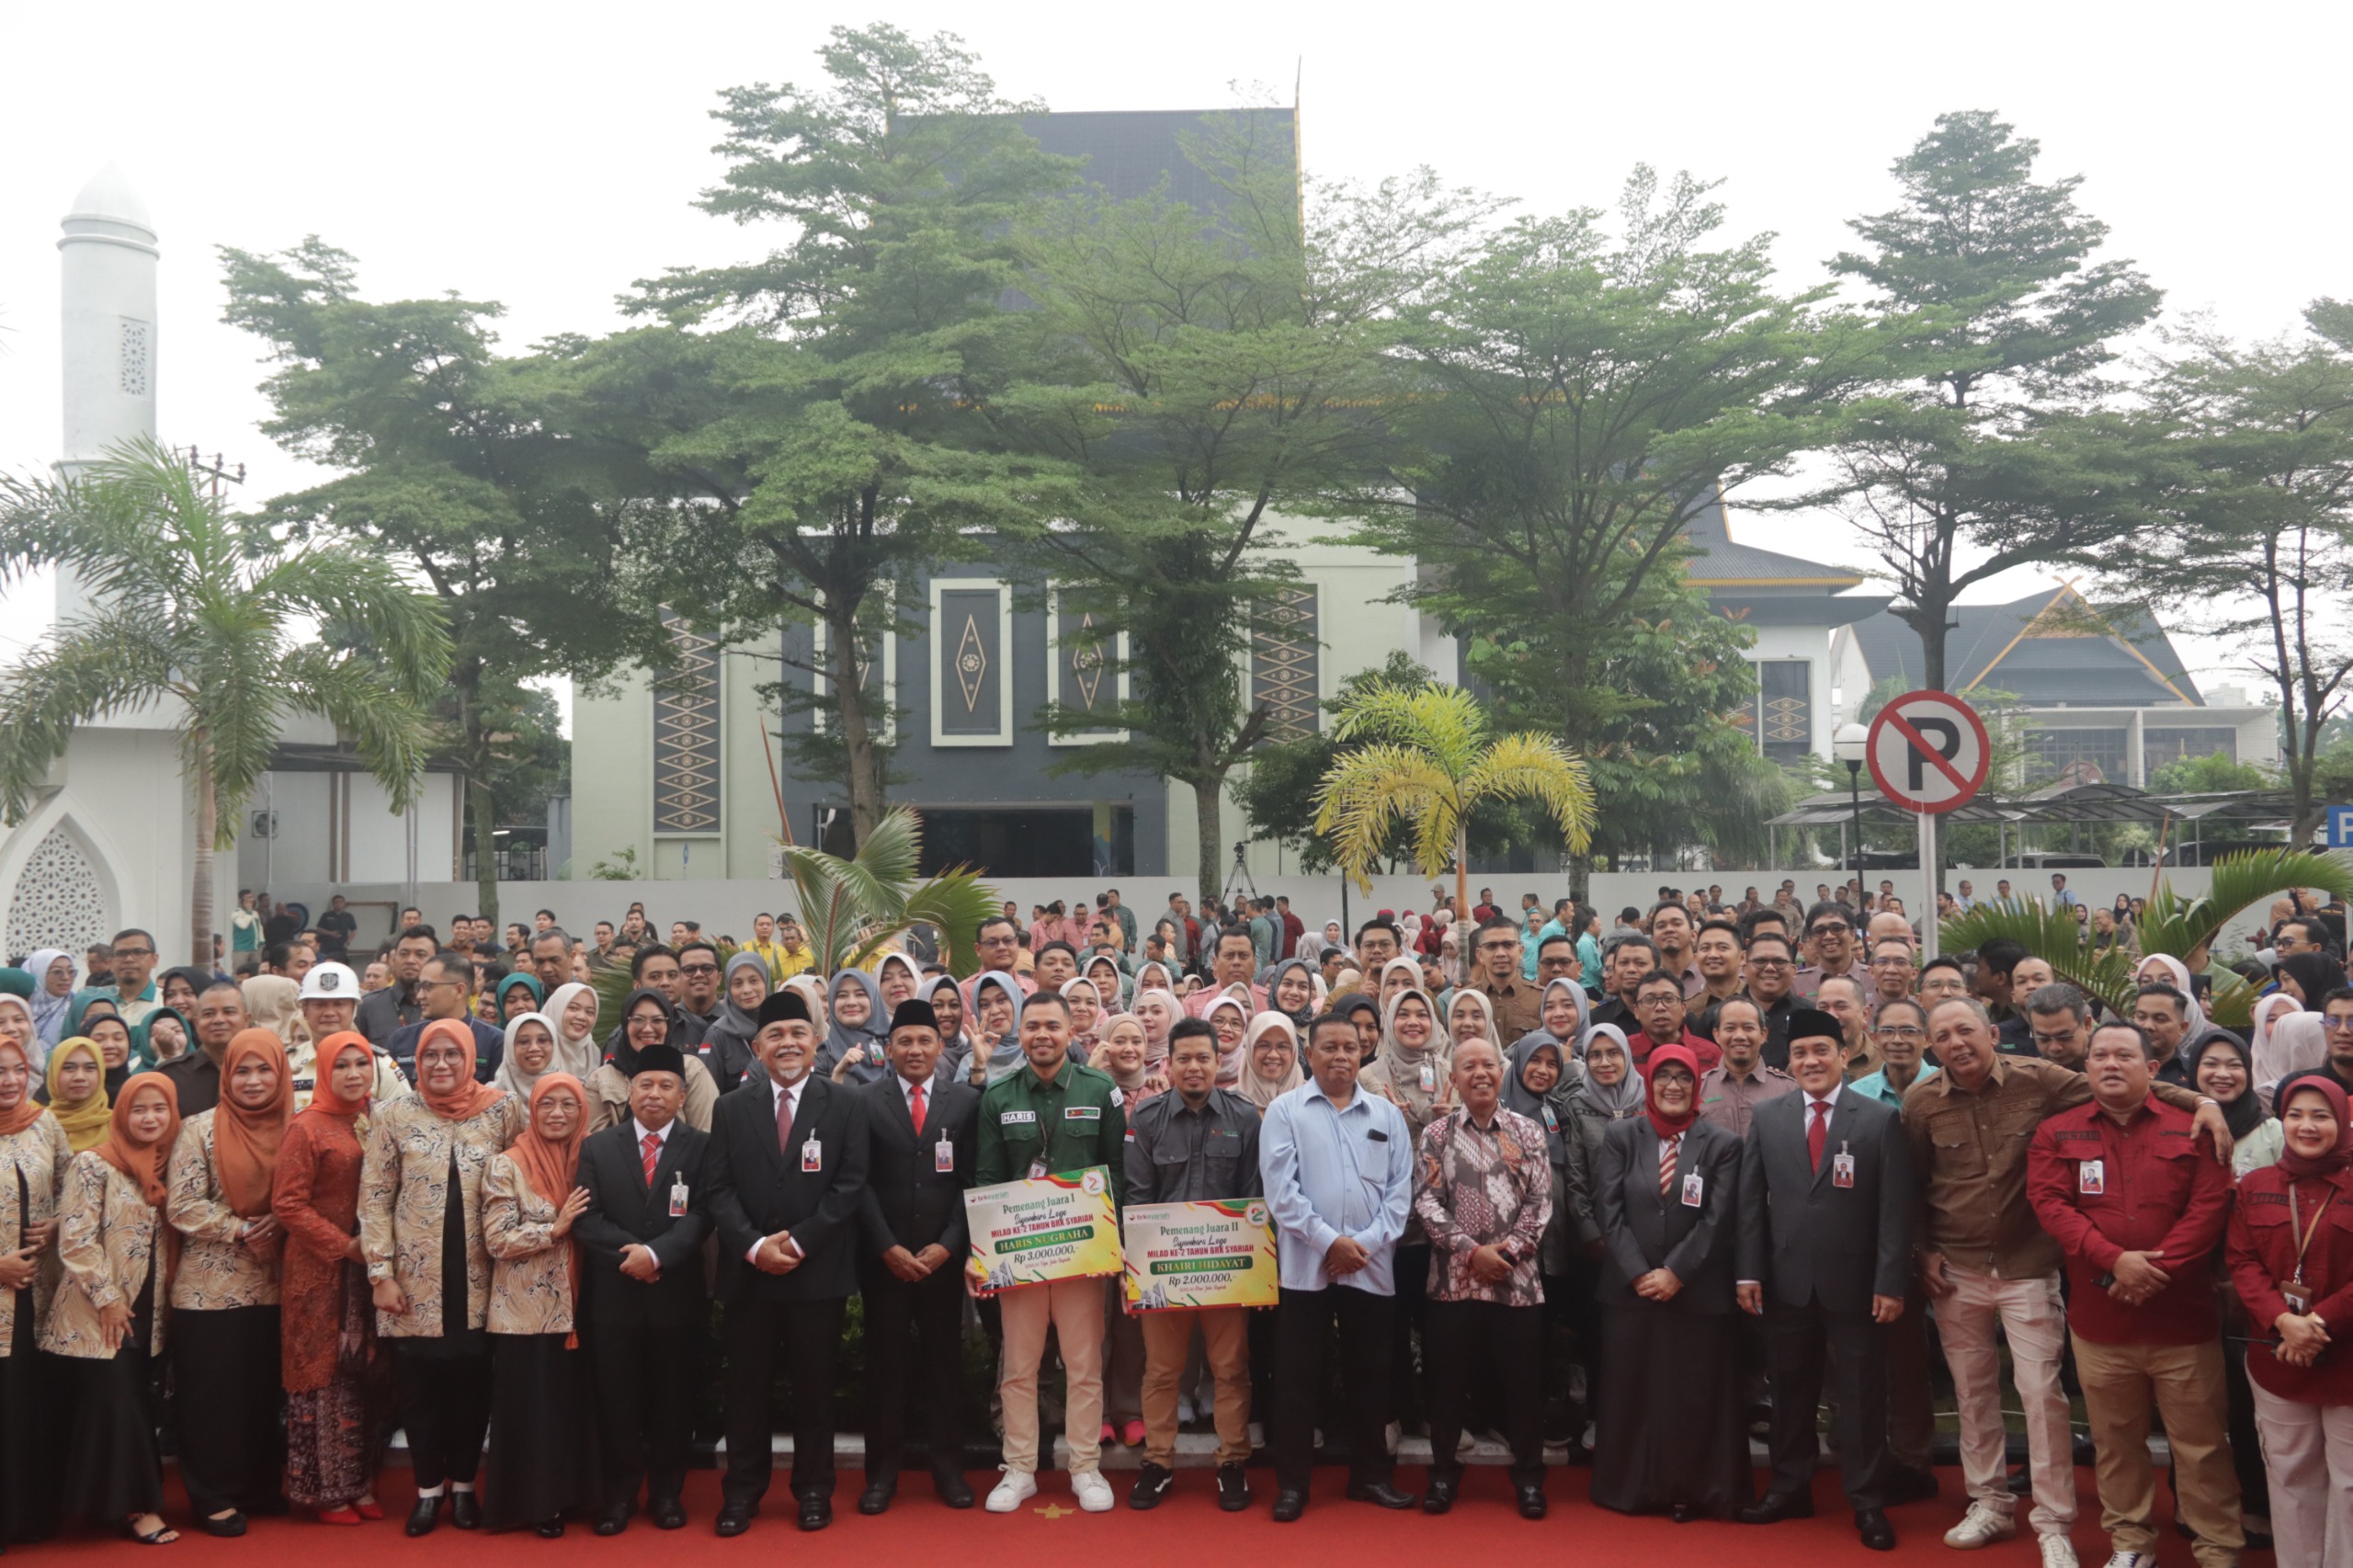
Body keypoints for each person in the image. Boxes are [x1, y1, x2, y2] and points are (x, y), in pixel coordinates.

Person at [1906, 997, 2228, 1562]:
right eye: (1942, 1036)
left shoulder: (2040, 1080)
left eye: (1966, 1030)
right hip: (1956, 1269)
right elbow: (1910, 1181)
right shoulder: (1920, 1103)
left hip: (2028, 1268)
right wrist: (1922, 1247)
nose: (1956, 1043)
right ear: (1931, 1047)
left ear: (1992, 1032)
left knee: (2040, 1396)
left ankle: (2052, 1521)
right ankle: (1989, 1503)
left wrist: (2203, 1100)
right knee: (1972, 1393)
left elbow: (2121, 1081)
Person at [2025, 1019, 2242, 1568]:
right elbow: (2051, 1205)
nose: (2110, 1064)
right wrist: (2115, 1261)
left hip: (2183, 1321)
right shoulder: (2058, 1133)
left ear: (2152, 1069)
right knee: (2116, 1444)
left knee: (2202, 1446)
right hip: (2102, 1322)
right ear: (2086, 1066)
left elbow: (2210, 1207)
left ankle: (2217, 1546)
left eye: (2125, 1055)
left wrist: (2153, 1269)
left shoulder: (2193, 1128)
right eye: (2099, 1055)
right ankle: (2130, 1543)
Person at [1734, 1014, 1917, 1551]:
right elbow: (1750, 1204)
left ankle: (1867, 1501)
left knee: (1861, 1397)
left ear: (1843, 1055)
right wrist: (1748, 1271)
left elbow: (1894, 1211)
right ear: (1788, 1063)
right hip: (1786, 1281)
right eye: (1800, 1054)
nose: (1811, 1062)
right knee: (1789, 1392)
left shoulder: (1879, 1118)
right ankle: (1789, 1488)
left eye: (1821, 1051)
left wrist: (1890, 1281)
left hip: (1858, 1285)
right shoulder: (1769, 1117)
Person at [707, 989, 870, 1535]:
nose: (788, 1043)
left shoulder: (844, 1103)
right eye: (775, 1035)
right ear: (757, 1047)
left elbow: (848, 1185)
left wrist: (797, 1244)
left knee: (814, 1390)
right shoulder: (730, 1107)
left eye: (798, 1033)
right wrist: (755, 1247)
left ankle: (814, 1491)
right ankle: (742, 1494)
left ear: (817, 1042)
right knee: (746, 1390)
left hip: (815, 1274)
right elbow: (719, 1188)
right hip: (748, 1274)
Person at [361, 1017, 527, 1535]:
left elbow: (525, 1178)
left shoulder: (501, 1110)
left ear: (471, 1058)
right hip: (414, 1284)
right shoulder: (392, 1114)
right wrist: (380, 1274)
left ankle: (463, 1488)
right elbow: (374, 1198)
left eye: (452, 1054)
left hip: (483, 1279)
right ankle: (428, 1492)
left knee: (471, 1388)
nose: (440, 1064)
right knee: (420, 1391)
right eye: (430, 1055)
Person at [974, 991, 1128, 1514]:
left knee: (1083, 1366)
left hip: (1083, 1260)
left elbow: (1118, 1176)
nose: (1042, 1034)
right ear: (1020, 1033)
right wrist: (984, 1258)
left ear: (1071, 1033)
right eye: (1032, 1025)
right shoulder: (997, 1096)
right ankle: (1020, 1467)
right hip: (1018, 1259)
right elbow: (988, 1182)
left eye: (1052, 1026)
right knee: (1019, 1367)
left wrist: (1116, 1249)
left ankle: (1085, 1467)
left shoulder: (1101, 1089)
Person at [1261, 1013, 1416, 1522]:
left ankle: (1370, 1476)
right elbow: (1281, 1194)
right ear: (1310, 1054)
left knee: (1371, 1375)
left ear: (1362, 1052)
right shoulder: (1285, 1112)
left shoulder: (1386, 1115)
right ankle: (1292, 1484)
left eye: (1350, 1047)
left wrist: (1364, 1244)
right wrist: (1330, 1242)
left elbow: (1400, 1194)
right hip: (1305, 1265)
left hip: (1370, 1266)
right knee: (1297, 1378)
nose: (1341, 1056)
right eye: (1329, 1047)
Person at [1588, 1042, 1749, 1522]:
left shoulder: (1722, 1144)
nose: (1674, 1085)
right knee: (1632, 1393)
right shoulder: (1622, 1136)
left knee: (1692, 1395)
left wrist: (1676, 1272)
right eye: (1664, 1076)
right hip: (1630, 1294)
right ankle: (1633, 1488)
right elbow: (1608, 1209)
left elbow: (1720, 1220)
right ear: (1650, 1082)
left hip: (1695, 1294)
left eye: (1684, 1076)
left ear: (1697, 1084)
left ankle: (1693, 1490)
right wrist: (1639, 1272)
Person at [1124, 1020, 1262, 1512]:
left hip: (1227, 1270)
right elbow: (1138, 1198)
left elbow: (1252, 1197)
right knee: (1162, 1370)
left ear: (1218, 1059)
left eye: (1203, 1057)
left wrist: (1253, 1271)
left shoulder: (1245, 1118)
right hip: (1163, 1271)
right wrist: (1138, 1267)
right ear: (1169, 1064)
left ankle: (1231, 1462)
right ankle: (1158, 1462)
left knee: (1230, 1368)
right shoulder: (1147, 1118)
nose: (1194, 1067)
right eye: (1183, 1058)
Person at [572, 1043, 709, 1534]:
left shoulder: (702, 1146)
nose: (654, 1094)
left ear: (682, 1094)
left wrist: (658, 1256)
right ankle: (620, 1494)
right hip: (615, 1300)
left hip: (677, 1298)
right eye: (645, 1085)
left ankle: (668, 1494)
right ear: (629, 1092)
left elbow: (703, 1214)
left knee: (675, 1400)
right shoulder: (598, 1146)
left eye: (665, 1086)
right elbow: (586, 1217)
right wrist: (635, 1255)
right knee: (617, 1400)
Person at [1414, 1038, 1553, 1519]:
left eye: (1488, 1064)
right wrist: (1472, 1253)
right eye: (1467, 1066)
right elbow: (1427, 1203)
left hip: (1517, 1284)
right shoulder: (1435, 1134)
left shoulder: (1530, 1132)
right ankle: (1443, 1475)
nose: (1479, 1073)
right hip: (1453, 1284)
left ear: (1502, 1072)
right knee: (1447, 1386)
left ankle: (1531, 1479)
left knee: (1523, 1387)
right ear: (1452, 1077)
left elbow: (1540, 1204)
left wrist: (1507, 1254)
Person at [852, 1000, 979, 1515]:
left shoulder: (966, 1102)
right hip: (884, 1260)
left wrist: (949, 1245)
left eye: (925, 1040)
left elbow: (971, 1181)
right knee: (885, 1367)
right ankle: (881, 1475)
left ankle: (949, 1470)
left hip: (942, 1260)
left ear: (940, 1046)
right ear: (889, 1048)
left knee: (944, 1366)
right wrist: (887, 1247)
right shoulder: (861, 1101)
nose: (915, 1050)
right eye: (904, 1040)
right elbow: (855, 1182)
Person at [43, 1071, 181, 1544]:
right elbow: (77, 1240)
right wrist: (108, 1299)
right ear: (122, 1113)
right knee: (121, 1404)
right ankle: (136, 1508)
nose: (149, 1117)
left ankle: (108, 1504)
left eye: (159, 1108)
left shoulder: (166, 1165)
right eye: (138, 1109)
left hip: (149, 1309)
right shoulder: (93, 1164)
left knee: (133, 1403)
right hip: (94, 1311)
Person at [165, 1029, 292, 1534]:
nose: (254, 1080)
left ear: (280, 1073)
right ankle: (212, 1494)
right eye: (242, 1070)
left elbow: (311, 1192)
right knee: (213, 1394)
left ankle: (259, 1485)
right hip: (210, 1288)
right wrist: (243, 1229)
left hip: (277, 1281)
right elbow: (182, 1204)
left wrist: (280, 1225)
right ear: (226, 1075)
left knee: (262, 1392)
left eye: (264, 1069)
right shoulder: (199, 1129)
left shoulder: (297, 1127)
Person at [2224, 1075, 2353, 1568]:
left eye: (2321, 1115)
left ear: (2341, 1122)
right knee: (2290, 1475)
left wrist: (2316, 1322)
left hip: (2346, 1358)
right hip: (2277, 1354)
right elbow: (2242, 1262)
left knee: (2348, 1480)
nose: (2307, 1125)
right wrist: (2284, 1321)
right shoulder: (2255, 1186)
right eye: (2296, 1114)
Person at [271, 1032, 392, 1525]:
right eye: (340, 1065)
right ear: (324, 1071)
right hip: (320, 1272)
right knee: (322, 1377)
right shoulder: (307, 1127)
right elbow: (287, 1204)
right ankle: (323, 1491)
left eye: (360, 1064)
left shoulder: (374, 1119)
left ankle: (360, 1482)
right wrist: (342, 1246)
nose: (352, 1074)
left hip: (368, 1272)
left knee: (364, 1374)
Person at [481, 1072, 598, 1536]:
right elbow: (497, 1240)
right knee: (533, 1412)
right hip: (524, 1314)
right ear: (533, 1110)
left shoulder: (591, 1159)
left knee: (572, 1408)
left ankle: (576, 1497)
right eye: (547, 1104)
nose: (557, 1114)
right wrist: (554, 1227)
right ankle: (535, 1505)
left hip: (581, 1307)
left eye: (569, 1105)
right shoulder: (506, 1165)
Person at [0, 1035, 69, 1545]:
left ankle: (33, 1515)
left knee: (31, 1400)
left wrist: (56, 1225)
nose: (7, 1081)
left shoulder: (44, 1122)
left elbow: (73, 1187)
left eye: (15, 1071)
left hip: (39, 1294)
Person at [587, 988, 720, 1133]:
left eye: (657, 1020)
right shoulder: (600, 1079)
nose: (648, 1029)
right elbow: (596, 1145)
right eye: (638, 1020)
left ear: (668, 1026)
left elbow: (706, 1136)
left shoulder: (692, 1070)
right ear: (625, 1024)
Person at [385, 951, 505, 1085]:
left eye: (428, 987)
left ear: (459, 990)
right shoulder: (402, 1038)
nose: (419, 995)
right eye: (419, 986)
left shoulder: (496, 1042)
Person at [1695, 994, 1792, 1135]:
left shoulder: (1788, 1090)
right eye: (1730, 1028)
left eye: (1748, 1028)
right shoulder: (1698, 1090)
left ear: (1763, 1035)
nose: (1739, 1036)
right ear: (1717, 1035)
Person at [701, 953, 774, 1094]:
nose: (746, 990)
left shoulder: (782, 1026)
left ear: (766, 982)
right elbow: (707, 1097)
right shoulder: (717, 1035)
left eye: (754, 981)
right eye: (738, 983)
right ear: (729, 988)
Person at [356, 926, 436, 1047]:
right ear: (393, 960)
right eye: (403, 954)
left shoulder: (446, 1005)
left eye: (420, 955)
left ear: (436, 961)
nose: (410, 960)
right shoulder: (368, 1005)